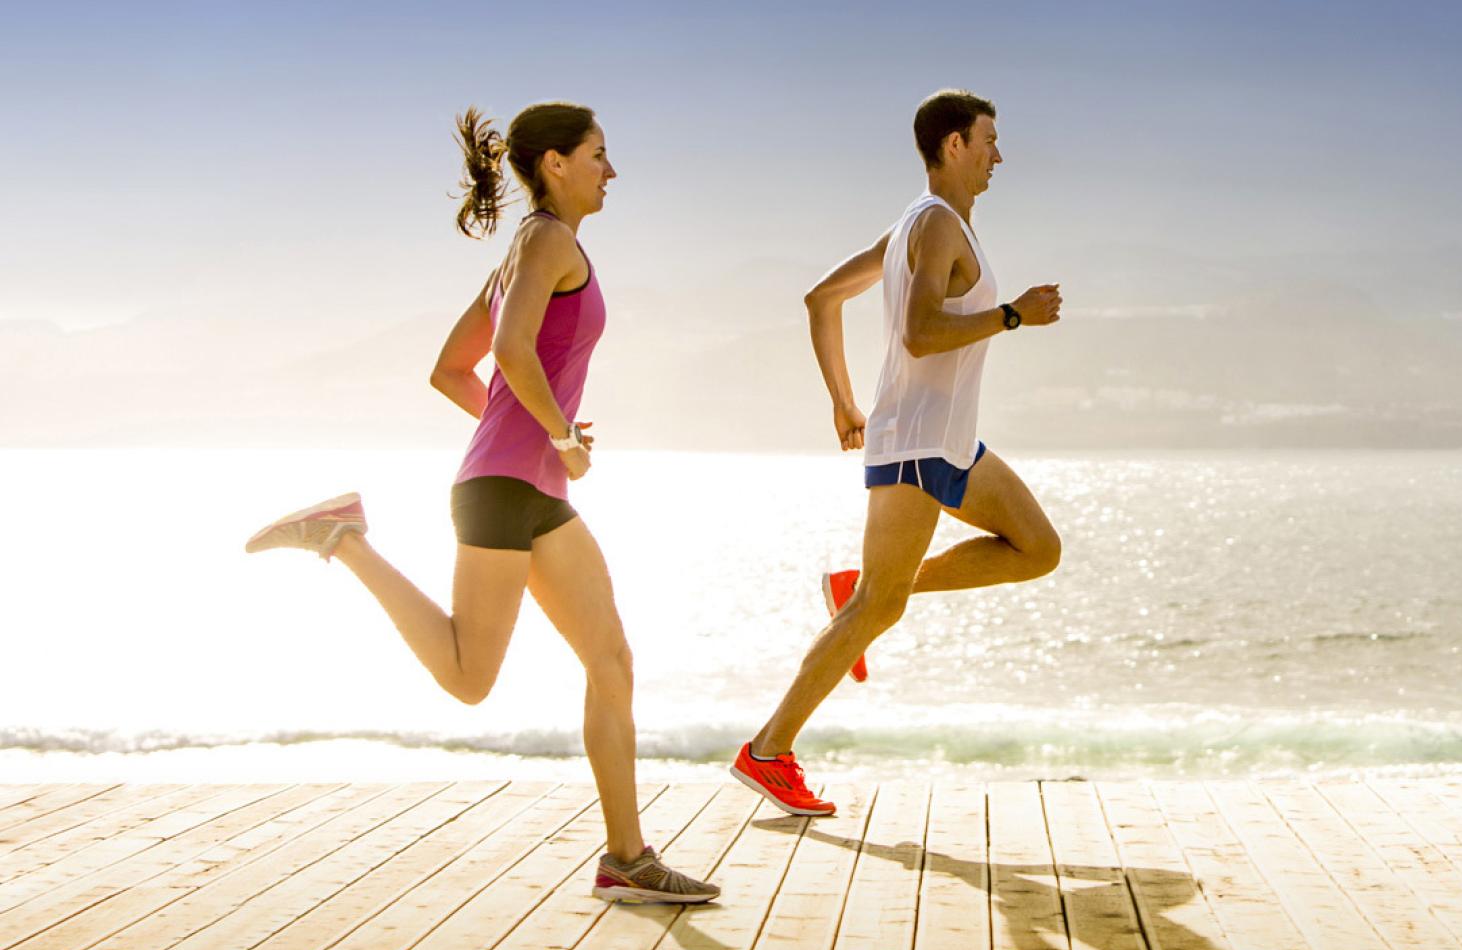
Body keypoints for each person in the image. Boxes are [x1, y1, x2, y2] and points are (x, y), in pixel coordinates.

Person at [245, 102, 718, 903]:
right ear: (556, 164)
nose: (612, 170)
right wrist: (560, 433)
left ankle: (626, 858)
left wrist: (544, 430)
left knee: (612, 660)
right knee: (470, 678)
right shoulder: (546, 241)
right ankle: (345, 538)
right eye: (600, 154)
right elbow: (503, 353)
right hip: (505, 487)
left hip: (528, 486)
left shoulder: (523, 254)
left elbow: (452, 373)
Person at [731, 90, 1064, 815]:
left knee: (1037, 548)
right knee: (878, 609)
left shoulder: (918, 226)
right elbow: (917, 333)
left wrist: (843, 401)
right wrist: (1014, 316)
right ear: (953, 146)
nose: (998, 156)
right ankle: (766, 751)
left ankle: (860, 587)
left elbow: (822, 299)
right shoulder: (936, 224)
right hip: (916, 443)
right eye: (989, 141)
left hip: (947, 439)